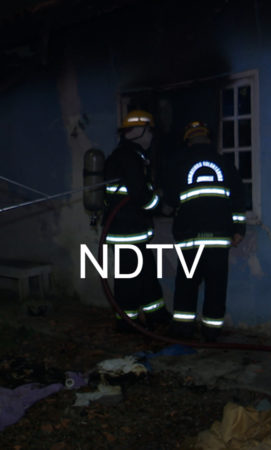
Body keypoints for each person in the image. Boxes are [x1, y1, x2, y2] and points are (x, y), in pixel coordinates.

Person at [164, 120, 246, 342]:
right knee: (216, 286)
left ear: (188, 140)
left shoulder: (178, 164)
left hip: (190, 238)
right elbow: (238, 200)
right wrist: (238, 229)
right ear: (208, 139)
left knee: (186, 285)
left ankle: (183, 331)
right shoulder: (224, 162)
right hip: (219, 238)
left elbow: (169, 201)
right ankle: (211, 331)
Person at [103, 109, 170, 332]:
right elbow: (140, 194)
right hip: (125, 231)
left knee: (147, 273)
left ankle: (156, 314)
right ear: (139, 130)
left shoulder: (131, 155)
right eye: (148, 130)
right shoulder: (128, 157)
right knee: (129, 280)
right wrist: (158, 205)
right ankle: (127, 322)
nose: (151, 136)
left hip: (132, 230)